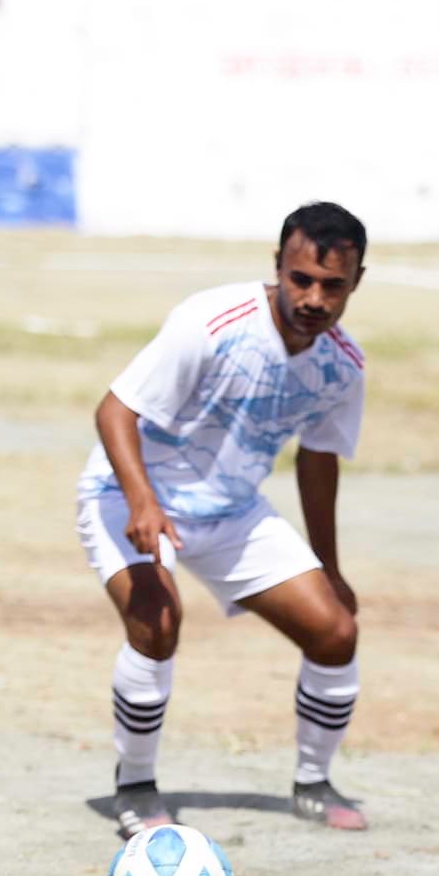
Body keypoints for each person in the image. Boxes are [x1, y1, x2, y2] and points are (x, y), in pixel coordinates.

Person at [75, 202, 373, 838]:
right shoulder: (211, 321)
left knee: (335, 631)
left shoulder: (342, 365)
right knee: (157, 621)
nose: (314, 298)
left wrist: (330, 567)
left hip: (231, 511)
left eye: (333, 285)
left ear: (357, 281)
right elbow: (114, 411)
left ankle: (314, 783)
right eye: (300, 279)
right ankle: (135, 787)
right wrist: (143, 502)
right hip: (129, 495)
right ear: (278, 265)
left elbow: (318, 461)